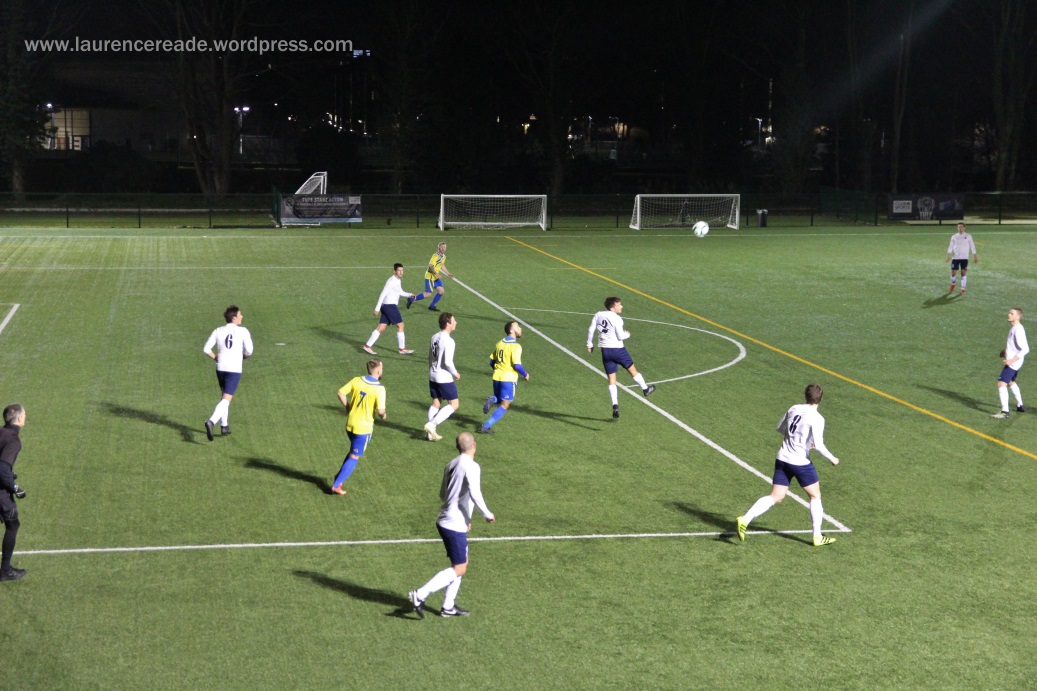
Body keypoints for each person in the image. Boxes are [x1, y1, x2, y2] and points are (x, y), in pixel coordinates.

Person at [736, 384, 840, 547]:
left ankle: (745, 519)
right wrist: (832, 458)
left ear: (805, 396)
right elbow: (819, 445)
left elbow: (780, 428)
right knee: (815, 496)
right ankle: (817, 536)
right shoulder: (817, 418)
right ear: (821, 399)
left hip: (783, 458)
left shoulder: (794, 408)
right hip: (800, 462)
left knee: (776, 496)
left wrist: (802, 441)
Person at [409, 432, 494, 618]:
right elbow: (475, 493)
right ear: (474, 445)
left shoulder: (451, 464)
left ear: (457, 447)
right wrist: (487, 514)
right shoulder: (472, 466)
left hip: (448, 520)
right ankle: (420, 594)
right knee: (460, 568)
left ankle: (448, 606)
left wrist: (466, 519)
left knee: (462, 563)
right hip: (453, 524)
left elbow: (443, 494)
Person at [586, 296, 656, 419]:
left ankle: (615, 406)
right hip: (618, 350)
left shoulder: (598, 315)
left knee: (611, 379)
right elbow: (620, 337)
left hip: (605, 351)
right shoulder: (617, 319)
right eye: (619, 305)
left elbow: (591, 329)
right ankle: (645, 389)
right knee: (633, 371)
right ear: (612, 308)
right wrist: (627, 334)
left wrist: (589, 344)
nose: (621, 306)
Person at [331, 359, 387, 495]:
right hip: (363, 428)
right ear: (378, 371)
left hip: (350, 424)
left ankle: (339, 478)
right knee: (355, 456)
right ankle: (336, 486)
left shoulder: (357, 380)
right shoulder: (379, 389)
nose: (382, 370)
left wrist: (348, 407)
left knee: (353, 452)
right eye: (382, 368)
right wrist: (384, 416)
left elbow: (340, 393)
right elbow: (380, 411)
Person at [203, 305, 254, 441]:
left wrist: (216, 358)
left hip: (220, 367)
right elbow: (249, 351)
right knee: (227, 399)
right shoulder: (243, 331)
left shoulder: (218, 330)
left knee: (224, 395)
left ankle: (224, 425)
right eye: (240, 314)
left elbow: (206, 349)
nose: (242, 316)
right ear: (234, 317)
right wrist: (244, 357)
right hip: (234, 369)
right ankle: (211, 421)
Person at [478, 321, 529, 434]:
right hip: (508, 379)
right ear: (511, 330)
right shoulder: (516, 346)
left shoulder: (500, 343)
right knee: (505, 404)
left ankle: (493, 399)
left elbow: (491, 361)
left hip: (497, 377)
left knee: (499, 399)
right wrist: (525, 374)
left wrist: (498, 370)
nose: (520, 328)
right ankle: (485, 426)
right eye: (517, 327)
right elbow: (517, 365)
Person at [363, 263, 417, 356]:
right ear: (394, 271)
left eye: (402, 270)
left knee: (382, 327)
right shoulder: (391, 281)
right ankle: (402, 349)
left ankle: (367, 346)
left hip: (386, 306)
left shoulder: (398, 280)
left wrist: (409, 294)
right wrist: (377, 308)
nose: (401, 272)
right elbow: (383, 294)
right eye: (399, 270)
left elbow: (400, 291)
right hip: (390, 306)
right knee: (401, 325)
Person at [0, 404, 27, 581]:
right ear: (18, 418)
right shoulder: (13, 441)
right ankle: (5, 571)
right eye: (24, 415)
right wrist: (15, 488)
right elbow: (2, 468)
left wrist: (9, 474)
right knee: (13, 525)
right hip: (1, 492)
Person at [424, 312, 461, 442]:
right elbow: (448, 362)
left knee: (436, 403)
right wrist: (455, 373)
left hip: (433, 374)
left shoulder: (434, 337)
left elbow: (429, 356)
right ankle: (432, 424)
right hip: (443, 377)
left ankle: (430, 433)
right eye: (453, 321)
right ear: (448, 323)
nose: (455, 323)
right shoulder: (449, 341)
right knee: (454, 404)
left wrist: (432, 370)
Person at [992, 308, 1028, 419]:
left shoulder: (1018, 330)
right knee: (1011, 382)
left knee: (1001, 384)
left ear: (1017, 317)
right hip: (1016, 362)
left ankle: (1005, 412)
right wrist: (1006, 351)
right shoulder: (1015, 328)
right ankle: (1020, 406)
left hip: (1013, 363)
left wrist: (1011, 361)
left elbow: (1025, 349)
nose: (1009, 315)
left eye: (1012, 313)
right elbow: (1014, 345)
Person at [407, 242, 454, 312]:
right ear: (438, 248)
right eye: (442, 247)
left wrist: (448, 273)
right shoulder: (435, 256)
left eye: (444, 247)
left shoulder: (444, 257)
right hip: (430, 277)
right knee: (428, 294)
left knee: (441, 291)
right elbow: (430, 266)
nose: (443, 249)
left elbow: (442, 265)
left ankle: (431, 306)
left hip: (436, 278)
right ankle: (411, 299)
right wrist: (437, 274)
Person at [946, 222, 978, 295]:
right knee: (953, 273)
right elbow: (950, 246)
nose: (960, 228)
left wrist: (975, 256)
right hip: (955, 257)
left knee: (963, 272)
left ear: (964, 228)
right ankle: (953, 283)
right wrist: (948, 255)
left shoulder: (968, 236)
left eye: (961, 227)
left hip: (964, 258)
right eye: (959, 227)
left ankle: (963, 288)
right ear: (957, 228)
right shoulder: (954, 236)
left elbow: (972, 246)